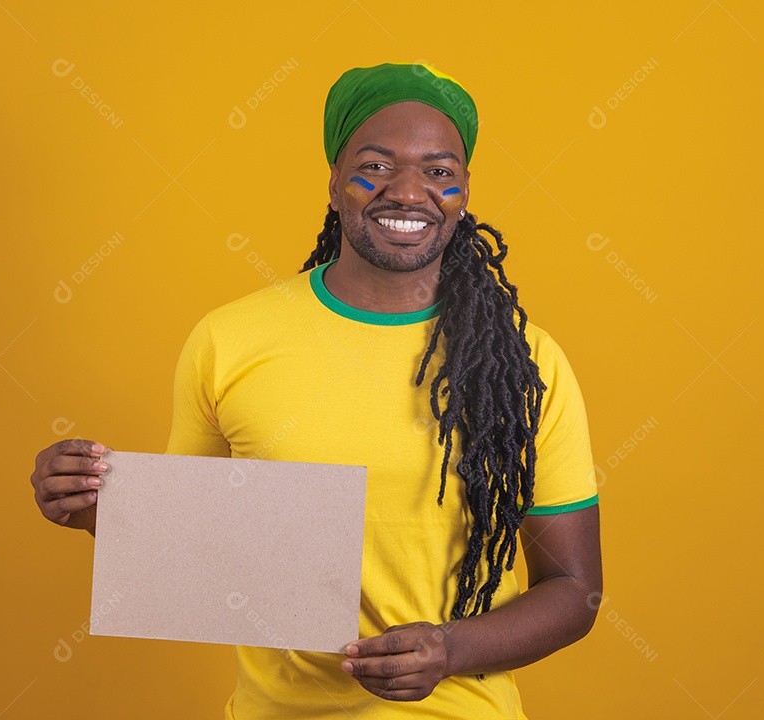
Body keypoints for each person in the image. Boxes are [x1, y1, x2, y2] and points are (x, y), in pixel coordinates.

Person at [31, 62, 602, 719]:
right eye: (377, 165)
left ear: (465, 192)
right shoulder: (230, 341)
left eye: (439, 170)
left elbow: (573, 588)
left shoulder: (526, 365)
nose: (409, 191)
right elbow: (197, 548)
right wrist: (91, 509)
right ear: (334, 183)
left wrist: (451, 648)